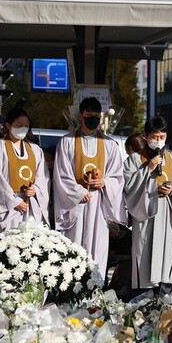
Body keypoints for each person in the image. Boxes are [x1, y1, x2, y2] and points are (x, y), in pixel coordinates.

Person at [53, 97, 125, 280]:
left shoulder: (110, 145)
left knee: (97, 248)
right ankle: (70, 290)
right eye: (89, 115)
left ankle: (95, 290)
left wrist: (104, 183)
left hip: (99, 205)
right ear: (81, 116)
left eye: (96, 116)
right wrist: (79, 192)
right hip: (76, 205)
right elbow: (62, 174)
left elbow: (117, 176)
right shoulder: (67, 142)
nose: (93, 119)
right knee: (73, 247)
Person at [123, 116, 172, 293]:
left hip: (167, 216)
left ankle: (164, 300)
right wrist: (147, 169)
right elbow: (128, 187)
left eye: (161, 137)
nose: (158, 141)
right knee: (144, 257)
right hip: (145, 217)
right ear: (146, 136)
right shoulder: (134, 160)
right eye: (154, 137)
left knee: (167, 260)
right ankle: (143, 301)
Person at [0, 108, 51, 237]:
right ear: (8, 126)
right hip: (7, 208)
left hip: (29, 205)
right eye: (19, 126)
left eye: (26, 126)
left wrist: (35, 189)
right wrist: (14, 201)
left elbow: (43, 177)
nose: (23, 129)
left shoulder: (35, 150)